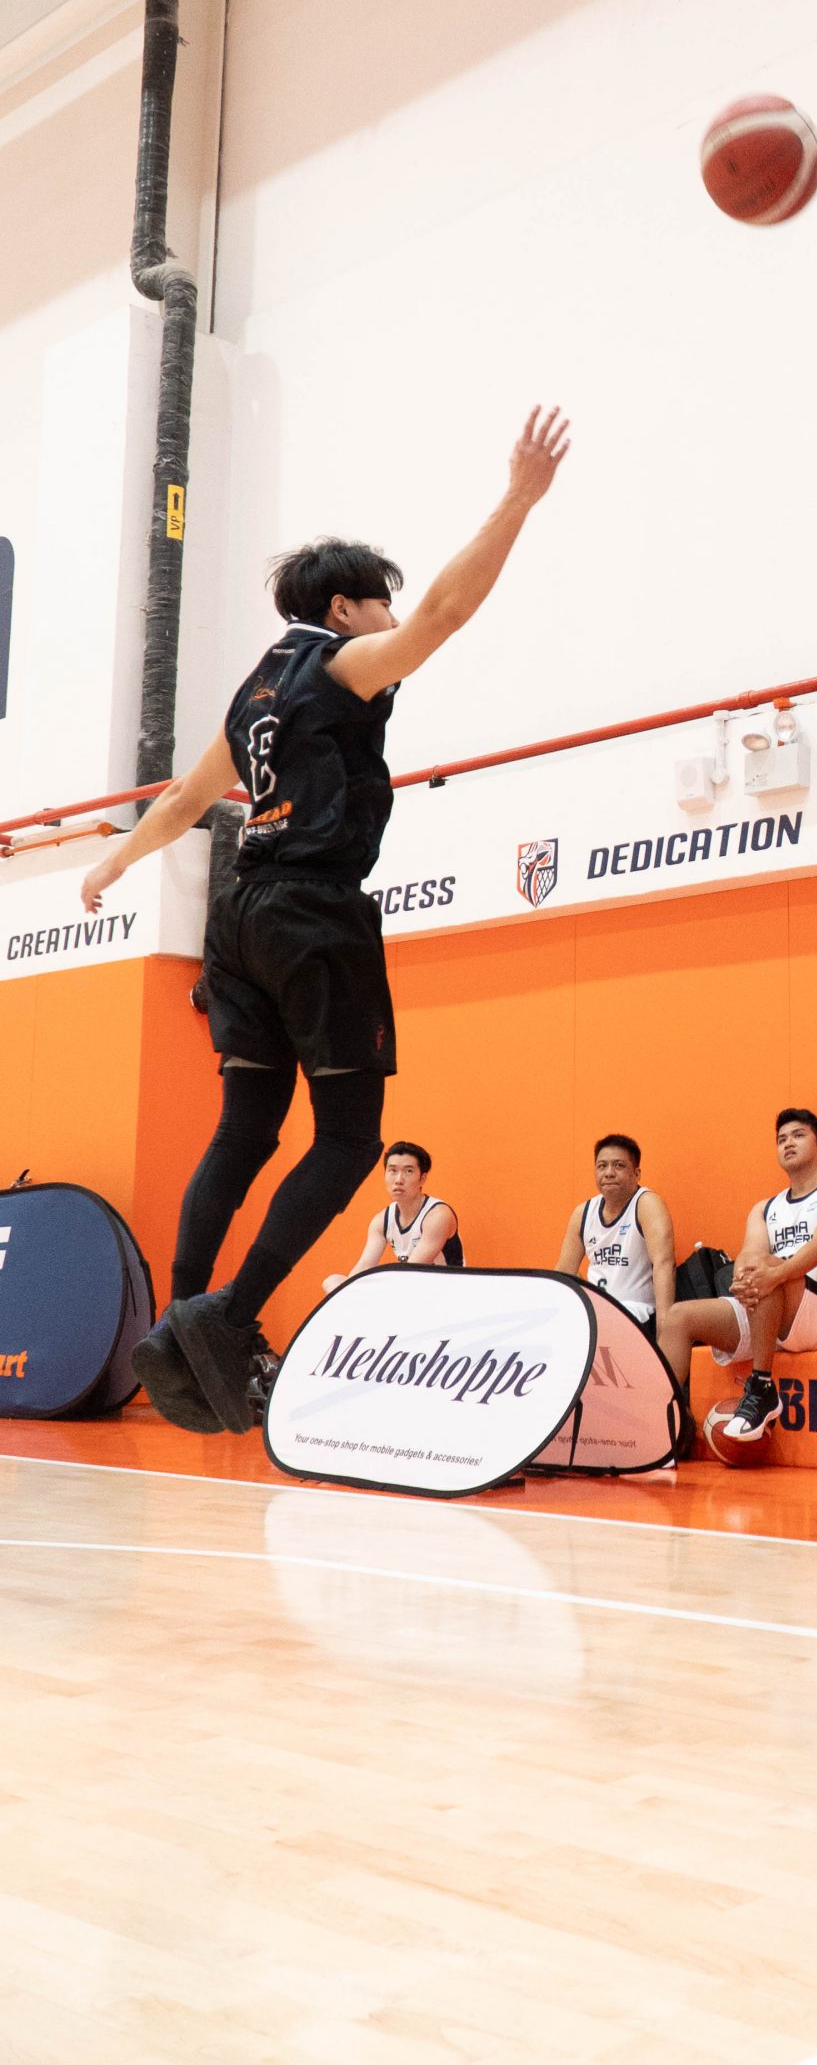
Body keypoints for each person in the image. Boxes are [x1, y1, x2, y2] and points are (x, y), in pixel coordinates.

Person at [80, 406, 571, 1435]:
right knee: (348, 1138)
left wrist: (116, 860)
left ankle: (180, 1319)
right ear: (344, 610)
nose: (390, 616)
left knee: (247, 1126)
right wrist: (519, 499)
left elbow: (186, 799)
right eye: (377, 602)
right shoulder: (340, 666)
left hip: (238, 916)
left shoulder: (254, 692)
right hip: (310, 912)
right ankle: (228, 1320)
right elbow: (442, 615)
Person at [656, 1109, 817, 1441]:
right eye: (781, 1139)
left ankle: (762, 1386)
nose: (788, 1143)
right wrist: (745, 1279)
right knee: (679, 1317)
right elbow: (749, 1256)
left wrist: (774, 1274)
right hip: (771, 1306)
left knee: (769, 1269)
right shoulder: (765, 1208)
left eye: (798, 1135)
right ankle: (664, 1425)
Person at [555, 1133, 675, 1330]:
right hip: (596, 1315)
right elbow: (563, 1273)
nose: (609, 1173)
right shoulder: (583, 1213)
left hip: (638, 1315)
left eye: (619, 1165)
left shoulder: (647, 1204)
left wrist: (664, 1328)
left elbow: (664, 1264)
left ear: (637, 1174)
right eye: (602, 1166)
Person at [323, 1140, 464, 1291]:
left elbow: (409, 1274)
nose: (398, 1180)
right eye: (393, 1170)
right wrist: (348, 1292)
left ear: (422, 1178)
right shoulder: (381, 1221)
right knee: (333, 1282)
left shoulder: (438, 1216)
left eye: (408, 1171)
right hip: (405, 1289)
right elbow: (363, 1269)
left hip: (442, 1292)